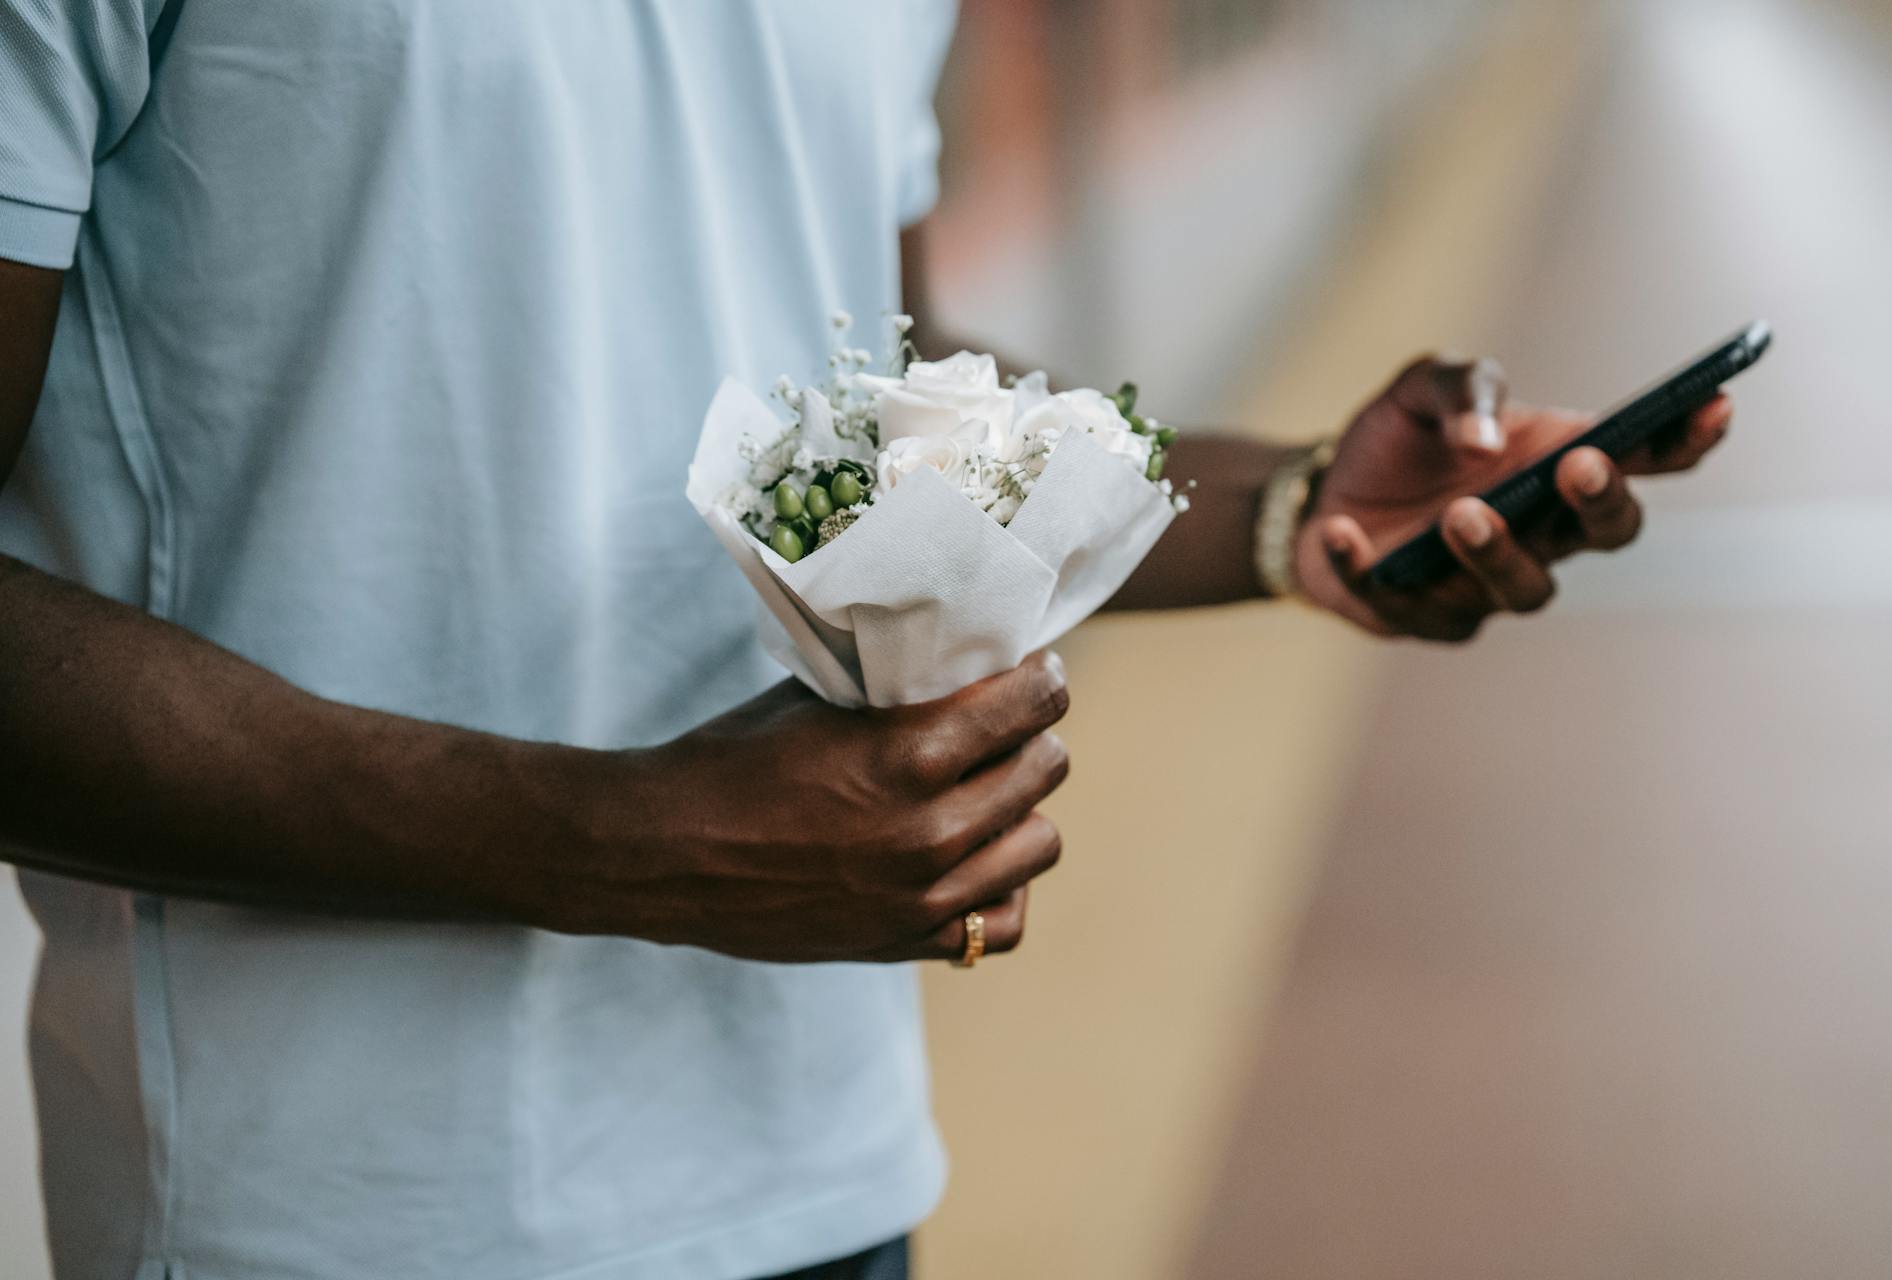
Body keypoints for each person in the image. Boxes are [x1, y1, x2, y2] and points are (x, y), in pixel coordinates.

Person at [0, 4, 1729, 1279]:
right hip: (322, 1220)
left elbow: (880, 422)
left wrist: (1294, 506)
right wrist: (622, 848)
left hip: (831, 1184)